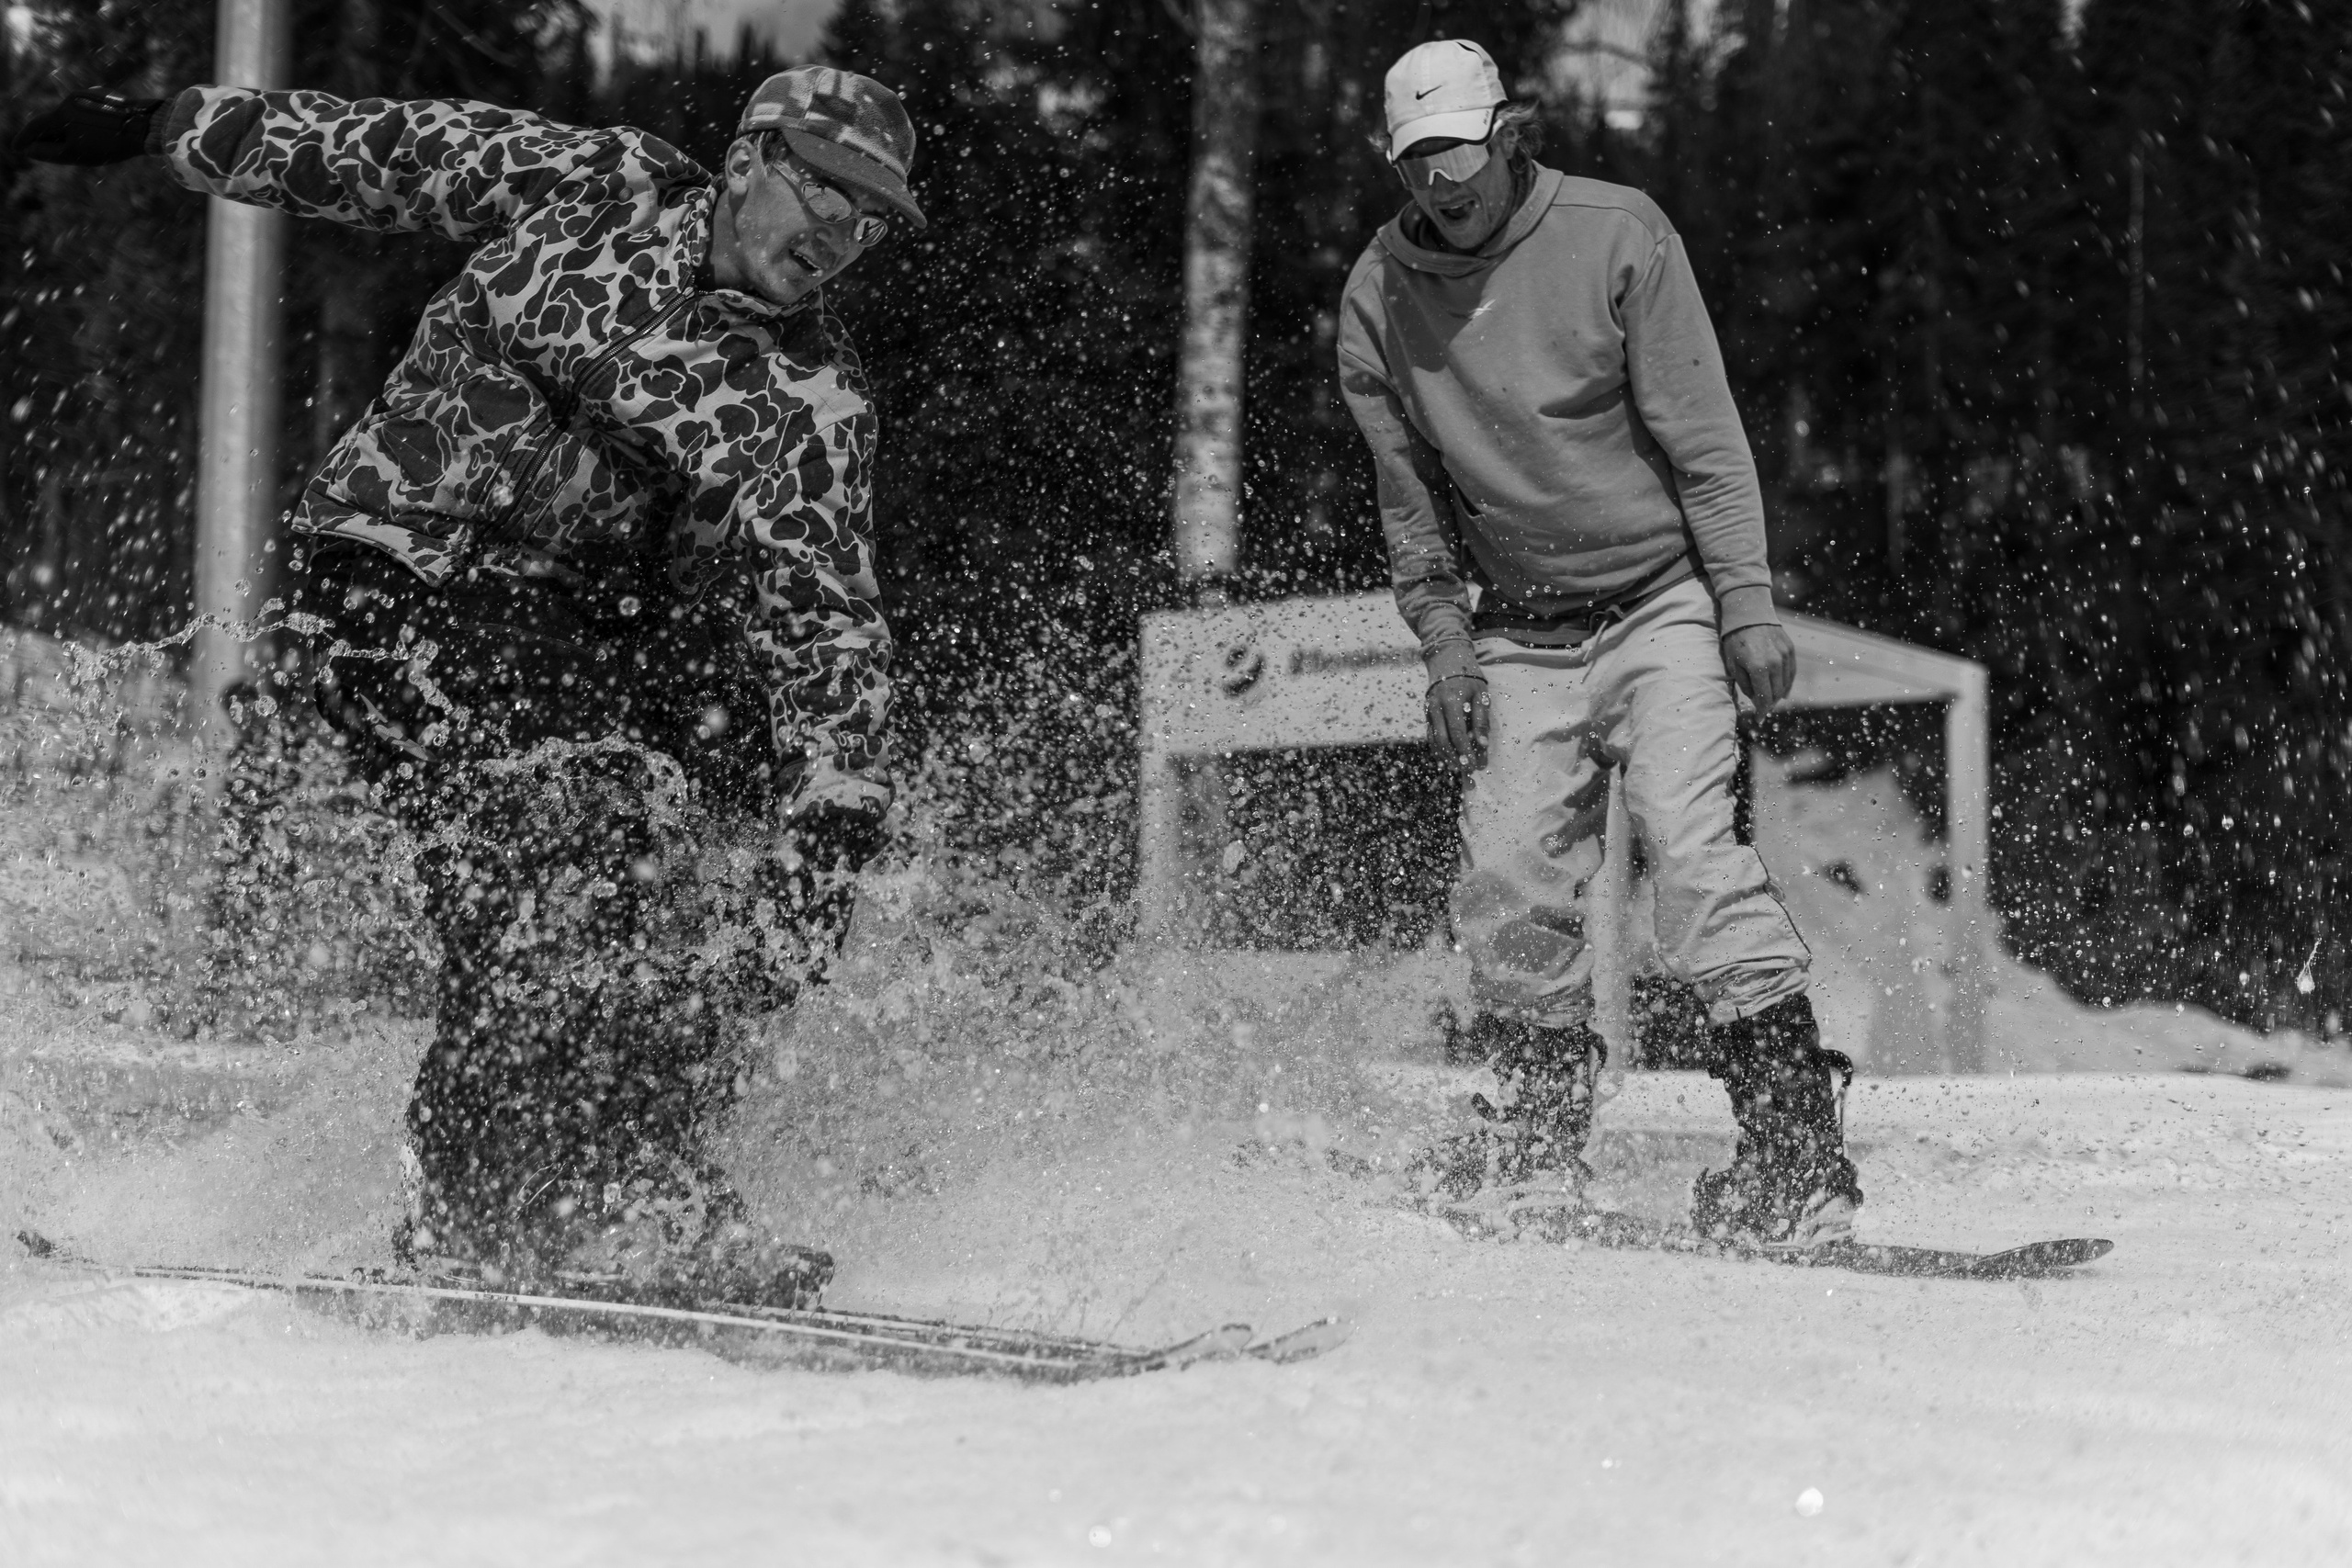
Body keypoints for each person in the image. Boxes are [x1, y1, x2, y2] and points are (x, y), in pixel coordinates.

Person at [16, 68, 922, 1302]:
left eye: (869, 223)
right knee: (558, 845)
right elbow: (383, 147)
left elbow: (828, 616)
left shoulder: (808, 394)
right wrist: (160, 126)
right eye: (825, 194)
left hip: (576, 636)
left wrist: (838, 802)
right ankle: (487, 1212)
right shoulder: (599, 187)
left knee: (668, 892)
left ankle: (636, 1186)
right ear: (751, 158)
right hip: (394, 573)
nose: (839, 237)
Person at [1335, 39, 1861, 1247]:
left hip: (1661, 602)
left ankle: (1795, 1155)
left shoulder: (1620, 234)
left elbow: (1706, 441)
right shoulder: (1378, 296)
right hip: (1518, 631)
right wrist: (1446, 650)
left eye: (1460, 153)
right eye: (1417, 163)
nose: (1443, 184)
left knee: (1694, 855)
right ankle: (1535, 1143)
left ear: (1509, 133)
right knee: (1509, 881)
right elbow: (1410, 508)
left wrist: (1745, 604)